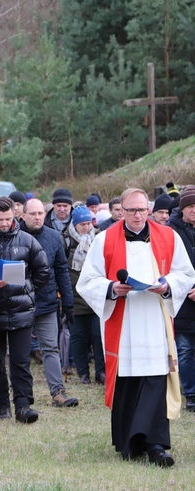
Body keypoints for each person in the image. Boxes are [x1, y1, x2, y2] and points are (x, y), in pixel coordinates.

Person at [77, 188, 195, 467]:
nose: (138, 215)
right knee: (128, 380)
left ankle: (156, 444)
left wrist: (168, 286)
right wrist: (111, 288)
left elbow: (186, 273)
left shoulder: (168, 236)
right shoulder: (104, 239)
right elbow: (86, 281)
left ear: (149, 209)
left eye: (143, 210)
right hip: (124, 321)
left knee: (155, 379)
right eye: (131, 210)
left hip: (155, 319)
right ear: (122, 210)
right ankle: (128, 442)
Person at [0, 196, 50, 423]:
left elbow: (43, 271)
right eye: (0, 219)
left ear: (15, 214)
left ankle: (23, 405)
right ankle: (1, 405)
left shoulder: (28, 240)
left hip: (21, 311)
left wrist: (26, 287)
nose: (4, 223)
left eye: (8, 218)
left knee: (21, 362)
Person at [21, 198, 79, 408]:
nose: (37, 217)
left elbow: (62, 272)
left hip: (46, 303)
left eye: (40, 214)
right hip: (19, 303)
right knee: (18, 351)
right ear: (23, 215)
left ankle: (58, 392)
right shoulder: (14, 237)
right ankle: (20, 393)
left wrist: (68, 303)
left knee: (51, 349)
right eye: (33, 214)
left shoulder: (54, 237)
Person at [65, 206, 105, 385]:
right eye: (82, 224)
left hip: (96, 296)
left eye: (89, 223)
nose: (86, 227)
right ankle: (83, 373)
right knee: (78, 338)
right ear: (75, 224)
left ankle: (101, 371)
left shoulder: (99, 238)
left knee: (98, 336)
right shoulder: (65, 239)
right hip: (74, 296)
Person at [166, 187, 195, 412]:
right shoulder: (170, 232)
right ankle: (191, 393)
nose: (194, 211)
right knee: (184, 349)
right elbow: (167, 264)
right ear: (182, 209)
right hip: (182, 300)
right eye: (190, 207)